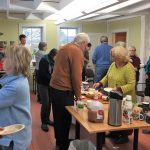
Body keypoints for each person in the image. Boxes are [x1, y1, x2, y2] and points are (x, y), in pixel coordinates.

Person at [50, 32, 90, 150]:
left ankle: (59, 140)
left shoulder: (64, 47)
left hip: (54, 87)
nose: (86, 48)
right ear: (82, 43)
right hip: (64, 90)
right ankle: (63, 144)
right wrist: (79, 96)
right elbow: (76, 76)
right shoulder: (77, 51)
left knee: (58, 117)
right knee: (65, 118)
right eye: (86, 45)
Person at [94, 46, 136, 144]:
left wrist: (119, 88)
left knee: (123, 116)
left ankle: (124, 135)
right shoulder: (113, 64)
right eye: (113, 56)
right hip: (113, 96)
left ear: (121, 57)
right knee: (114, 113)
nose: (113, 59)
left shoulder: (128, 67)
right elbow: (107, 77)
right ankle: (115, 133)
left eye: (115, 57)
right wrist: (100, 83)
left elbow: (132, 84)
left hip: (126, 98)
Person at [0, 45, 32, 150]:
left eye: (6, 57)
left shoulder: (16, 86)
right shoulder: (14, 78)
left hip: (13, 139)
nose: (3, 59)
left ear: (15, 62)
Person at [38, 48, 57, 132]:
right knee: (45, 103)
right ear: (53, 55)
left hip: (50, 84)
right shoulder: (44, 60)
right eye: (57, 56)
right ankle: (43, 123)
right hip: (43, 84)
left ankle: (47, 120)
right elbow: (43, 74)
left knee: (49, 103)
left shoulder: (53, 60)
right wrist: (53, 80)